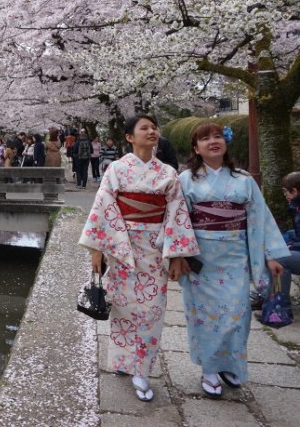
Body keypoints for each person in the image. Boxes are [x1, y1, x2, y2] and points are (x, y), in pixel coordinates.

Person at [78, 114, 198, 403]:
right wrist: (98, 249)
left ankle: (142, 370)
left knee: (151, 310)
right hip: (122, 247)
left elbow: (177, 213)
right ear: (130, 137)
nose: (151, 131)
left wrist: (178, 254)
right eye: (144, 128)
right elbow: (103, 206)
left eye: (154, 127)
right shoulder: (116, 169)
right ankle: (122, 362)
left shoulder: (167, 172)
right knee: (122, 307)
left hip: (155, 248)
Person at [178, 122, 288, 399]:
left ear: (225, 143)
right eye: (206, 138)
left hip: (236, 257)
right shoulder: (186, 180)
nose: (213, 141)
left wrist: (270, 255)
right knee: (205, 317)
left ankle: (230, 364)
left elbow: (260, 218)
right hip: (200, 259)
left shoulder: (243, 179)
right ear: (196, 148)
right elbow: (177, 221)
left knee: (237, 315)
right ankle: (210, 369)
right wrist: (179, 255)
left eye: (218, 136)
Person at [274, 171, 300, 313]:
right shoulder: (297, 207)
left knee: (279, 259)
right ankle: (266, 296)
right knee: (280, 241)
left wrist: (292, 246)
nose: (285, 195)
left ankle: (280, 309)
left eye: (286, 192)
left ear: (295, 191)